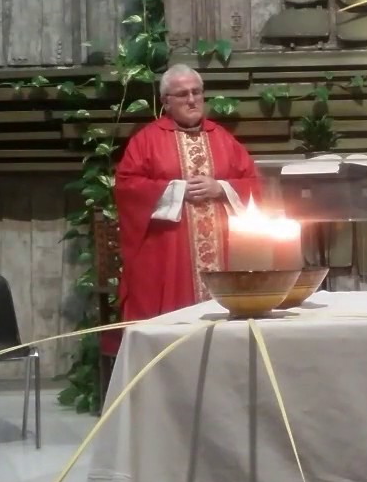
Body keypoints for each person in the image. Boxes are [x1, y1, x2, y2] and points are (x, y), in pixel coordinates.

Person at [104, 65, 260, 355]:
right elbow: (127, 187)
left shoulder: (223, 138)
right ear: (166, 101)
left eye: (197, 92)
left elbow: (252, 183)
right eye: (183, 94)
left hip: (224, 255)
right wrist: (176, 191)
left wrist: (221, 188)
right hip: (169, 255)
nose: (192, 100)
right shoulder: (147, 140)